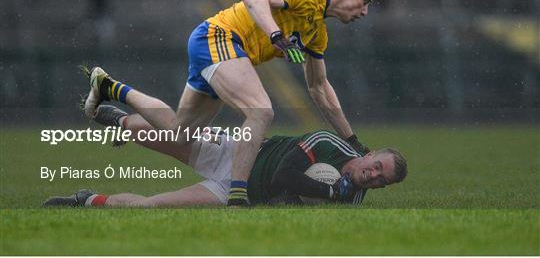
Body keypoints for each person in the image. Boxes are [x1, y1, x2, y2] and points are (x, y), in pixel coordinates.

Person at [83, 0, 378, 206]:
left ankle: (110, 87)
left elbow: (320, 88)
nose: (365, 12)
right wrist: (276, 35)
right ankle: (238, 195)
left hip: (220, 51)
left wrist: (351, 140)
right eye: (365, 2)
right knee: (261, 111)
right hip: (219, 38)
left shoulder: (318, 33)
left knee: (179, 133)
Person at [44, 105, 406, 207]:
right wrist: (329, 192)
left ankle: (87, 199)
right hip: (234, 150)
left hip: (233, 191)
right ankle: (120, 117)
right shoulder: (329, 143)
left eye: (381, 179)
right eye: (376, 165)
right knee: (156, 133)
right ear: (369, 154)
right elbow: (282, 178)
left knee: (151, 206)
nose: (373, 175)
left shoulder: (354, 199)